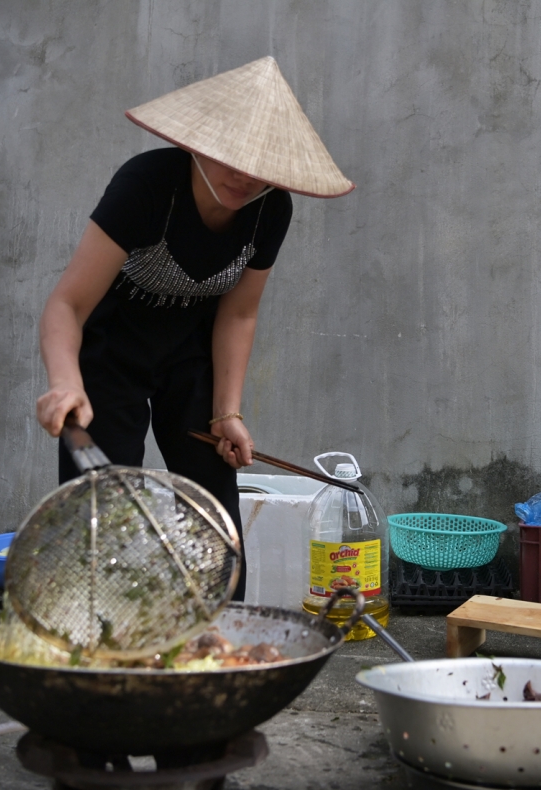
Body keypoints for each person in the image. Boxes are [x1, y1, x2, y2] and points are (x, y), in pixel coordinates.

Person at [34, 56, 353, 599]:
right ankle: (94, 647)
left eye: (260, 163)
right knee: (102, 507)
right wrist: (66, 383)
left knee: (213, 508)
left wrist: (228, 412)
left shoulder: (270, 209)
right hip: (110, 354)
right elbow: (67, 304)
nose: (243, 174)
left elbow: (239, 312)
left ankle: (220, 639)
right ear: (199, 142)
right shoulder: (148, 185)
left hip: (190, 356)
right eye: (230, 154)